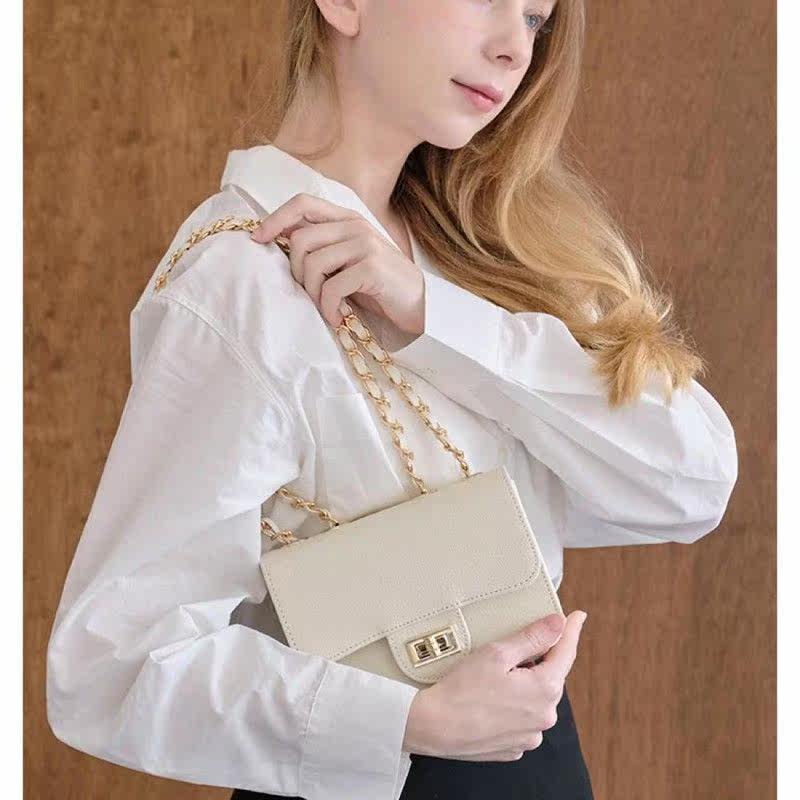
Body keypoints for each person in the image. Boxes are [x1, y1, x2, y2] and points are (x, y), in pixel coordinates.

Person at [45, 1, 739, 799]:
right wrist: (407, 721)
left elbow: (694, 484)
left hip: (540, 762)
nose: (515, 49)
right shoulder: (240, 283)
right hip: (383, 775)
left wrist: (432, 316)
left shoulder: (493, 254)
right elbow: (113, 662)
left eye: (535, 19)